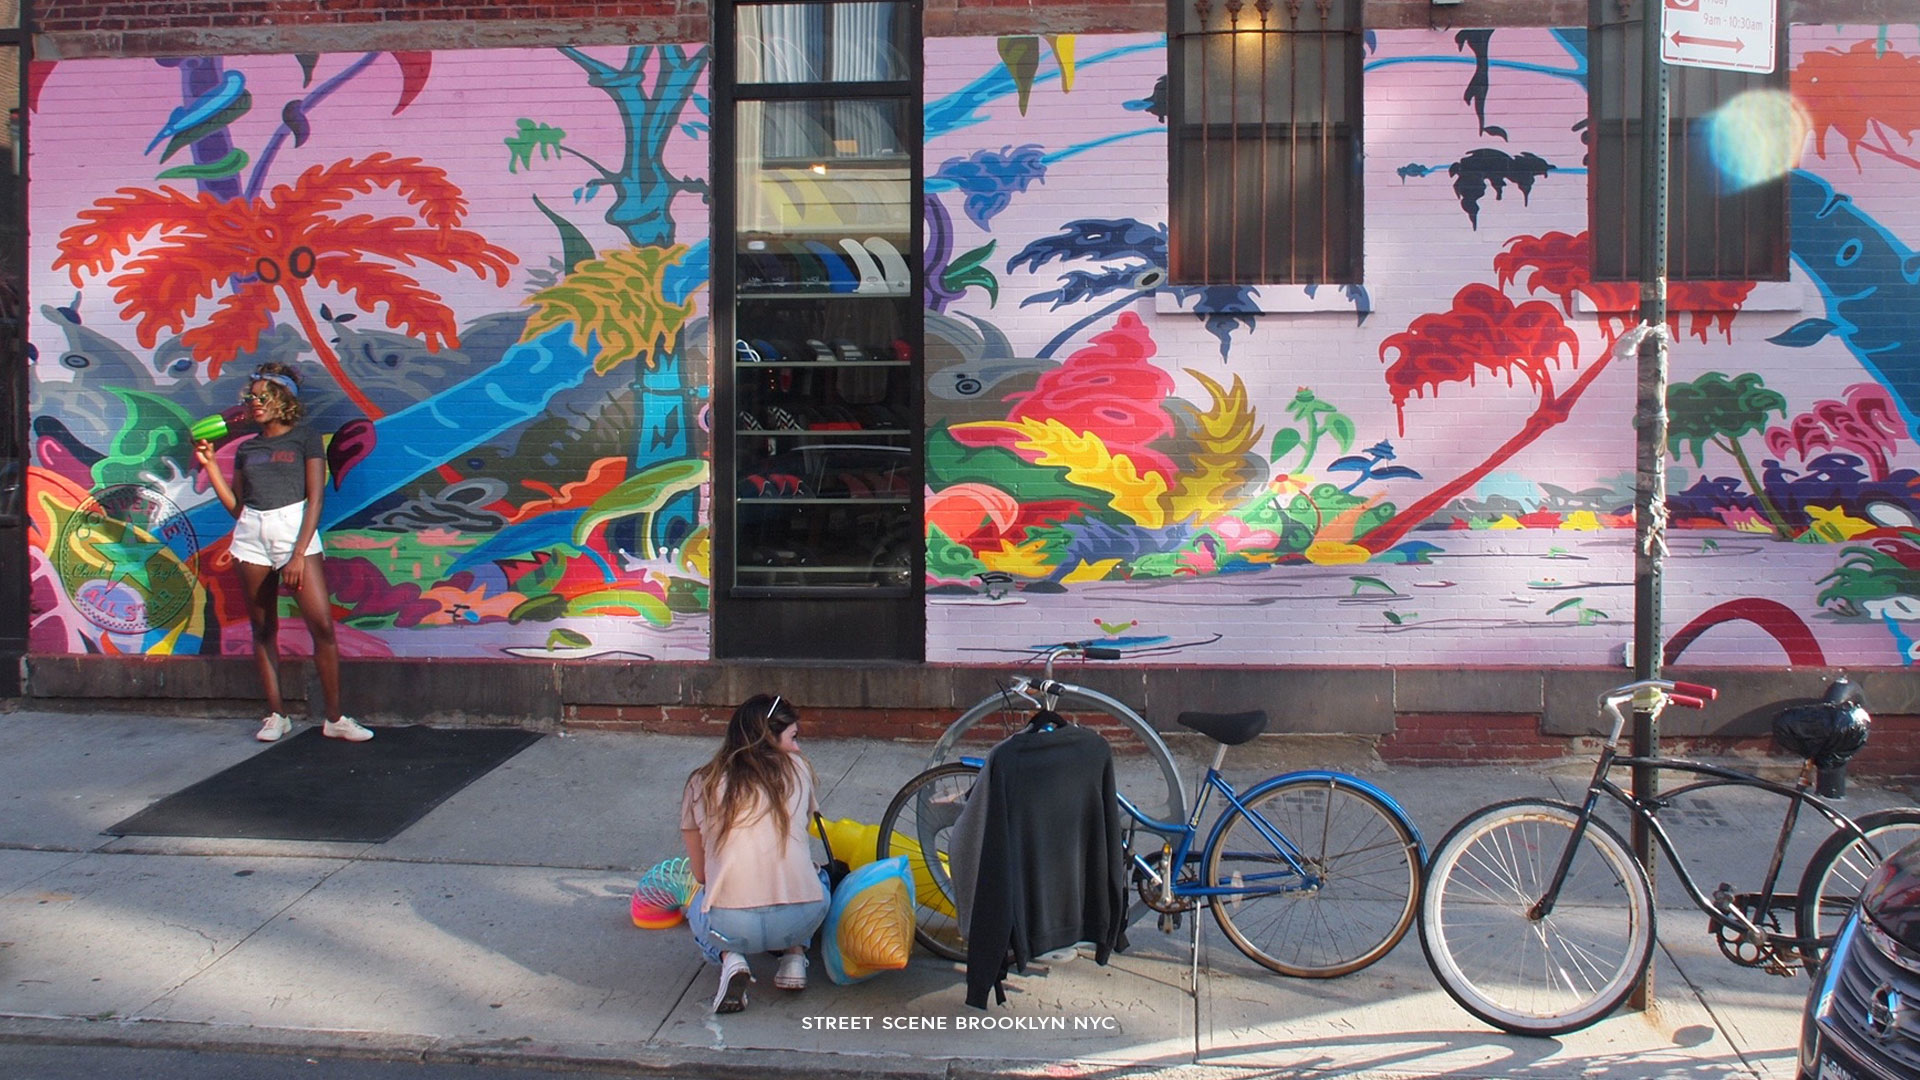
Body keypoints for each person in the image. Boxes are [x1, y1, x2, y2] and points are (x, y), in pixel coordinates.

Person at [192, 363, 372, 744]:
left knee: (322, 627)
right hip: (251, 538)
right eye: (251, 397)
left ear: (284, 399)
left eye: (263, 397)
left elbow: (316, 499)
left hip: (295, 534)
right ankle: (276, 715)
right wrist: (211, 467)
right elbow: (238, 508)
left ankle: (335, 718)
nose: (255, 403)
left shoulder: (305, 439)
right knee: (263, 630)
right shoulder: (248, 449)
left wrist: (298, 554)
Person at [680, 693, 828, 1013]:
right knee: (819, 877)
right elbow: (800, 841)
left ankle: (731, 959)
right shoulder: (799, 770)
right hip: (799, 918)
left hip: (731, 924)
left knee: (697, 903)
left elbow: (702, 875)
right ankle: (794, 958)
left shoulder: (701, 782)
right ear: (769, 736)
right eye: (793, 737)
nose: (797, 748)